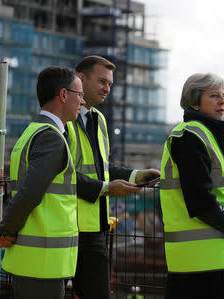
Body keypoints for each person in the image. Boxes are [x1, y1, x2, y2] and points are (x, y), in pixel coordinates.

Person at [0, 66, 85, 299]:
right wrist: (4, 230)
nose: (82, 101)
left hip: (32, 260)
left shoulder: (31, 132)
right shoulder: (51, 138)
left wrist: (5, 228)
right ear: (63, 95)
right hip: (44, 263)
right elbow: (29, 194)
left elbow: (21, 192)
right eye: (79, 95)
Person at [67, 55, 160, 299]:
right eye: (101, 81)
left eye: (110, 84)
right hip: (65, 226)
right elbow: (63, 175)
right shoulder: (63, 119)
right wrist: (107, 188)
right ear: (80, 78)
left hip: (93, 228)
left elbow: (102, 167)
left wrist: (137, 175)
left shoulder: (99, 120)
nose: (107, 88)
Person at [159, 73, 224, 299]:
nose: (223, 101)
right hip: (200, 262)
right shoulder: (190, 136)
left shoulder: (200, 135)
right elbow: (202, 202)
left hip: (202, 258)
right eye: (214, 95)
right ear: (193, 102)